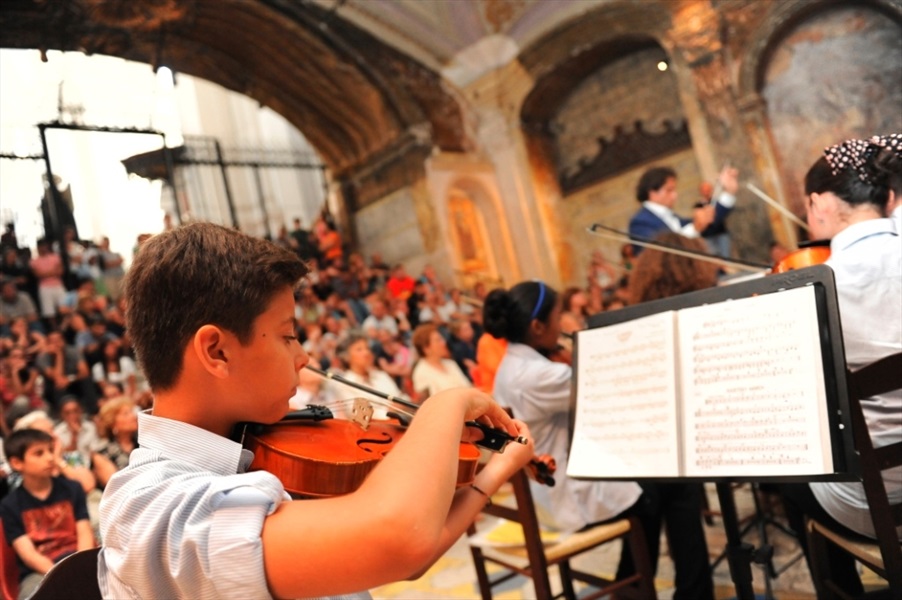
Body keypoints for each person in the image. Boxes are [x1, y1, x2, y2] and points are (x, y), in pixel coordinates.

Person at [97, 222, 534, 599]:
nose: (303, 356)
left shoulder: (254, 450)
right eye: (288, 335)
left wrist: (494, 471)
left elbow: (408, 555)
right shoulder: (149, 505)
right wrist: (447, 404)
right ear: (217, 351)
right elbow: (394, 539)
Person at [484, 280, 714, 600]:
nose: (563, 322)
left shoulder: (514, 365)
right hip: (566, 493)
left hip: (547, 486)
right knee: (674, 482)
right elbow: (610, 384)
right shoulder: (538, 375)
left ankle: (635, 588)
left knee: (650, 492)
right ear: (537, 326)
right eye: (559, 315)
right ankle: (689, 594)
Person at [780, 134, 902, 597]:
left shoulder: (816, 285)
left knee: (789, 470)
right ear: (888, 198)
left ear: (819, 204)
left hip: (877, 498)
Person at [0, 428, 95, 599]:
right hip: (40, 571)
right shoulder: (9, 505)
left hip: (77, 560)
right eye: (39, 453)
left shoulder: (73, 489)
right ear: (17, 463)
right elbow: (28, 554)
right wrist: (60, 575)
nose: (50, 458)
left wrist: (80, 568)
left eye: (51, 450)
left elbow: (85, 534)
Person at [628, 165, 738, 255]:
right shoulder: (640, 222)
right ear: (652, 193)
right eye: (669, 190)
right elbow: (658, 255)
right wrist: (695, 227)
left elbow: (708, 224)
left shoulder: (671, 217)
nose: (675, 195)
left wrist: (729, 192)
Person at [411, 323, 471, 399]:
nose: (444, 343)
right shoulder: (420, 372)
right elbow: (429, 404)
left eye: (442, 339)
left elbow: (468, 388)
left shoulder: (450, 364)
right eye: (438, 340)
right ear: (426, 348)